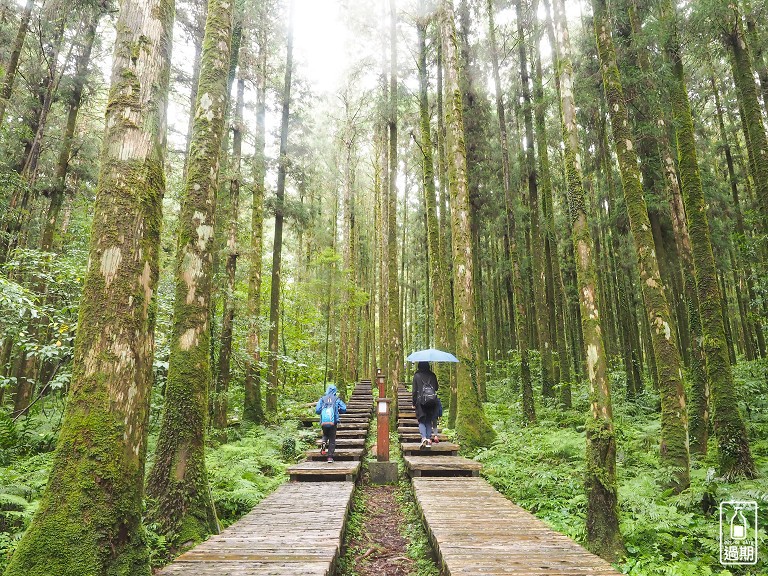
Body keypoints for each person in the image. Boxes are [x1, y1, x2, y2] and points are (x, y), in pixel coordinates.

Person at [315, 384, 346, 463]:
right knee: (332, 439)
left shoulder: (322, 399)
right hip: (333, 422)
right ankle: (329, 457)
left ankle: (323, 442)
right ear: (335, 391)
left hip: (324, 422)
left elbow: (317, 410)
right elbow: (344, 409)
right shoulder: (336, 399)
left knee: (325, 434)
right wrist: (338, 409)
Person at [412, 361, 439, 448]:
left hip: (420, 401)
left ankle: (424, 438)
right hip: (432, 401)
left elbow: (414, 391)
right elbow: (436, 388)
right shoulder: (433, 375)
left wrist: (414, 402)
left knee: (421, 420)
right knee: (428, 420)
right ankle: (428, 439)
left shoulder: (416, 376)